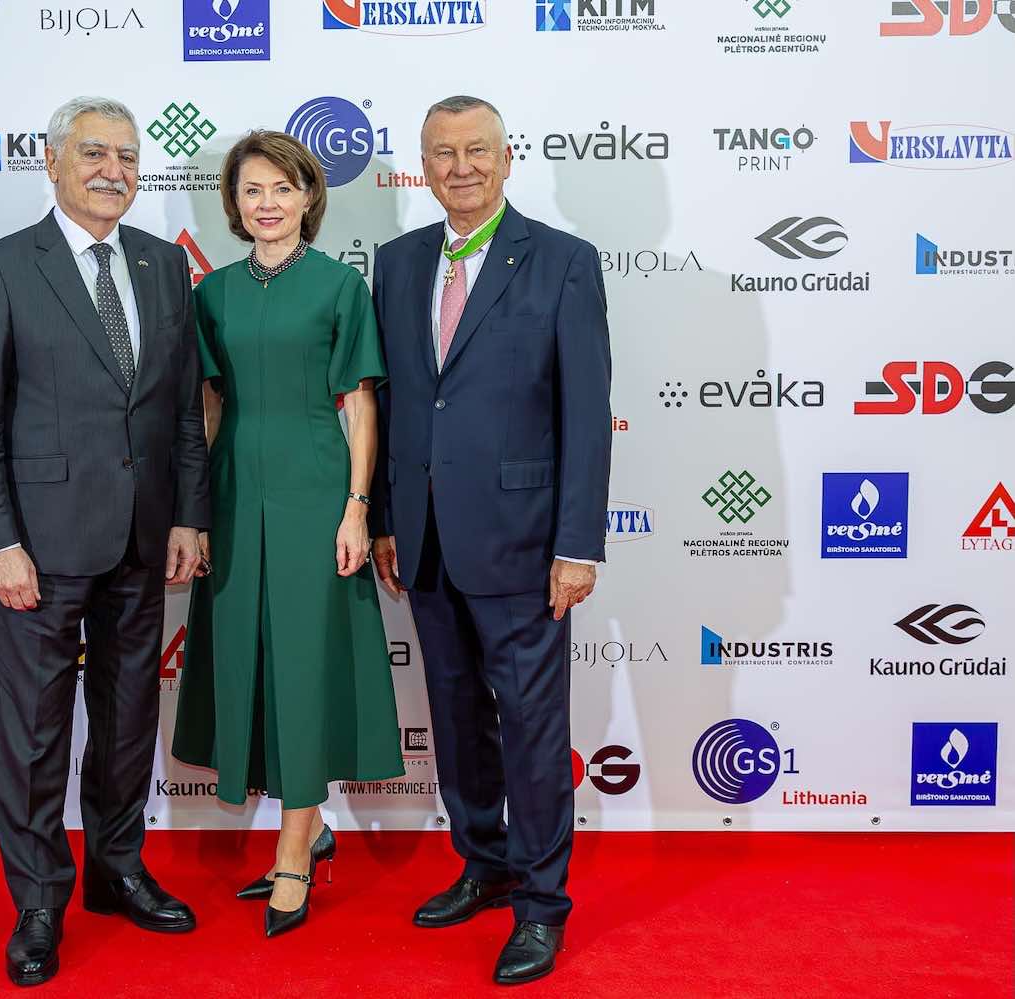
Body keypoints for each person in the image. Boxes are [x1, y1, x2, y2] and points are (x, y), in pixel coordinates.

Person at [0, 95, 210, 988]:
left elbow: (180, 409)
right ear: (52, 162)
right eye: (94, 153)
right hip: (41, 545)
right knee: (33, 732)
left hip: (143, 536)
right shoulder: (1, 267)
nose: (113, 170)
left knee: (129, 719)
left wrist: (187, 515)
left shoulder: (161, 265)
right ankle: (37, 900)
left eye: (127, 157)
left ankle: (116, 868)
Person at [369, 96, 612, 986]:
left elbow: (585, 413)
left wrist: (576, 544)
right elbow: (395, 400)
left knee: (533, 729)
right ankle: (484, 861)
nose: (460, 166)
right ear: (422, 165)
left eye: (477, 150)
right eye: (443, 152)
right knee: (456, 716)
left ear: (507, 159)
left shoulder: (562, 261)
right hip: (425, 538)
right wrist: (387, 519)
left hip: (523, 543)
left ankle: (542, 905)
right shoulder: (396, 262)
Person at [171, 130, 404, 938]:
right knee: (253, 661)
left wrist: (356, 506)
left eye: (281, 188)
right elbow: (207, 407)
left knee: (304, 666)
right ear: (232, 205)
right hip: (235, 492)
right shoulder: (211, 293)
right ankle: (310, 825)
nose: (266, 203)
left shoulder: (340, 286)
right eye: (251, 190)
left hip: (314, 491)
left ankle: (295, 848)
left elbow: (360, 405)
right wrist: (197, 509)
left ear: (309, 196)